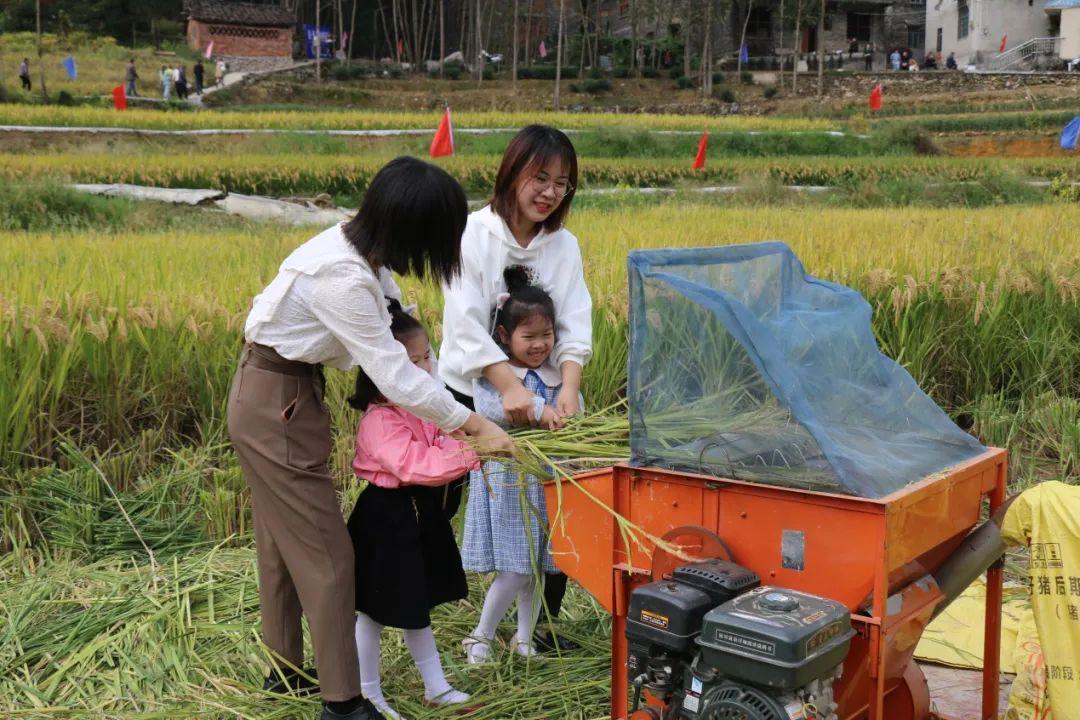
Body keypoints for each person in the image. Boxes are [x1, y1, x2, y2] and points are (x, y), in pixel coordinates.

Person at [227, 156, 513, 720]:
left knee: (283, 548)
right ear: (410, 229)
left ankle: (285, 672)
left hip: (283, 394)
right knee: (332, 558)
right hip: (272, 403)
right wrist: (475, 426)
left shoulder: (367, 259)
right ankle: (344, 702)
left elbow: (405, 334)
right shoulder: (343, 276)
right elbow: (397, 375)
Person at [439, 124, 592, 653]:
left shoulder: (563, 245)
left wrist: (568, 388)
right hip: (483, 395)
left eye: (562, 183)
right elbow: (464, 323)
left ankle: (538, 630)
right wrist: (509, 389)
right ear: (513, 172)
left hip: (550, 400)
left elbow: (575, 319)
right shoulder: (473, 234)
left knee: (556, 510)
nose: (550, 191)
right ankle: (456, 615)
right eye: (540, 177)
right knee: (499, 512)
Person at [347, 299, 477, 719]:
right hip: (387, 520)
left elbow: (443, 440)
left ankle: (435, 686)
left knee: (414, 603)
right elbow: (415, 464)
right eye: (411, 363)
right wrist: (472, 454)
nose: (423, 370)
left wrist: (463, 444)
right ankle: (367, 692)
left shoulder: (421, 407)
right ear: (379, 368)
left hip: (420, 517)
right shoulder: (380, 421)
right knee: (374, 611)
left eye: (426, 358)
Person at [460, 265, 584, 663]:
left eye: (546, 336)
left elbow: (574, 413)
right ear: (503, 336)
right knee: (515, 567)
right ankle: (480, 638)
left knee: (536, 567)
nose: (538, 345)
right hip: (511, 480)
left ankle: (525, 640)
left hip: (547, 482)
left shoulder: (556, 377)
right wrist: (538, 410)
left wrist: (570, 417)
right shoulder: (497, 376)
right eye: (528, 336)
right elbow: (489, 411)